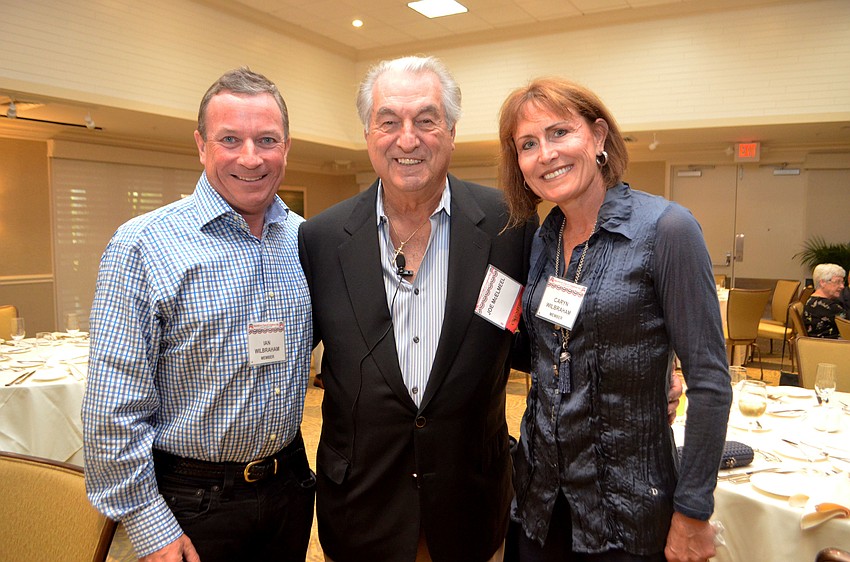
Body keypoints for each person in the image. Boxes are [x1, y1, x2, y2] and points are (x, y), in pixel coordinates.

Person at [298, 56, 538, 562]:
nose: (407, 139)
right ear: (368, 134)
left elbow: (544, 341)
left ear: (451, 131)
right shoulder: (320, 239)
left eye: (426, 120)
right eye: (389, 121)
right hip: (363, 509)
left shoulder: (509, 224)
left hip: (473, 503)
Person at [82, 68, 315, 562]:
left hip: (289, 487)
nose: (250, 157)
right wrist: (148, 525)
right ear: (201, 144)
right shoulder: (143, 244)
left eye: (266, 139)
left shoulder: (306, 240)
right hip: (191, 502)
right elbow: (112, 408)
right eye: (230, 138)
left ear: (286, 148)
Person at [498, 77, 732, 562]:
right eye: (528, 144)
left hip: (628, 513)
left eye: (560, 132)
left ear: (599, 137)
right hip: (542, 504)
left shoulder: (667, 229)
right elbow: (547, 351)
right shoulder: (546, 237)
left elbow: (710, 381)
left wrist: (693, 510)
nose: (546, 153)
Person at [803, 263, 847, 338]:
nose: (842, 286)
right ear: (822, 282)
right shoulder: (829, 307)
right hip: (831, 347)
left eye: (842, 282)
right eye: (837, 282)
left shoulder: (811, 300)